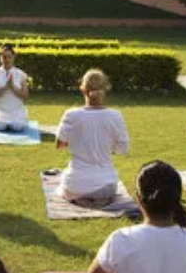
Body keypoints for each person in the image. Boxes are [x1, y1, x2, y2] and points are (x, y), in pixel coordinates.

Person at [54, 69, 130, 208]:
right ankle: (98, 199)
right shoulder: (116, 116)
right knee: (104, 188)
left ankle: (83, 199)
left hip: (75, 184)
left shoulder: (71, 114)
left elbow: (60, 145)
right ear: (106, 89)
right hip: (106, 184)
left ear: (83, 89)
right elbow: (122, 149)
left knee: (66, 184)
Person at [0, 45, 32, 132]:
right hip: (0, 110)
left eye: (9, 57)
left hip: (16, 111)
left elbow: (25, 96)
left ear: (13, 57)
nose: (7, 60)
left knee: (17, 127)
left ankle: (16, 120)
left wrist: (13, 87)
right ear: (0, 58)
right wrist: (5, 87)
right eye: (4, 57)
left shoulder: (21, 74)